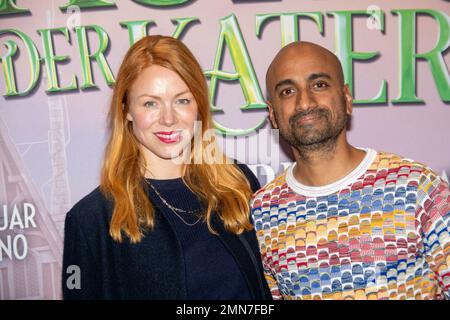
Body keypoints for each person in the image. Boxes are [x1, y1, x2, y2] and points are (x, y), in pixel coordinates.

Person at [62, 35, 271, 300]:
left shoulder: (238, 183)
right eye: (150, 103)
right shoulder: (90, 219)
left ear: (199, 106)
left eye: (182, 100)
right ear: (126, 109)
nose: (168, 118)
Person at [250, 41, 450, 300]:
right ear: (273, 114)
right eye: (287, 91)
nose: (304, 102)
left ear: (346, 99)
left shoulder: (417, 187)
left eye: (319, 85)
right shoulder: (263, 211)